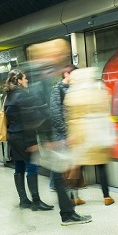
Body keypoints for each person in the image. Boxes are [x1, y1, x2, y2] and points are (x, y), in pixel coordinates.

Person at [24, 39, 91, 225]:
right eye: (61, 53)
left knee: (62, 176)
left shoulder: (46, 75)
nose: (62, 56)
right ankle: (67, 213)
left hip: (50, 135)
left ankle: (68, 213)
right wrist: (48, 137)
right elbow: (43, 108)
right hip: (50, 135)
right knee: (60, 175)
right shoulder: (42, 77)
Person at [64, 67, 117, 206]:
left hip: (80, 134)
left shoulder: (72, 93)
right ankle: (106, 196)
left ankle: (73, 196)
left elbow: (69, 115)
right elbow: (106, 109)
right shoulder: (98, 89)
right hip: (97, 133)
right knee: (101, 166)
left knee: (77, 166)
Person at [4, 69, 54, 211]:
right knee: (32, 166)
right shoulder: (21, 96)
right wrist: (33, 141)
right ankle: (36, 201)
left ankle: (24, 200)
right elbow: (29, 119)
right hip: (25, 136)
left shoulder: (8, 96)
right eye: (25, 78)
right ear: (19, 80)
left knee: (19, 166)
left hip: (13, 136)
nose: (27, 81)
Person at [48, 64, 75, 193]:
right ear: (66, 74)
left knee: (65, 158)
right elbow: (55, 113)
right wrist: (65, 131)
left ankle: (60, 183)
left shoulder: (73, 89)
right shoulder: (57, 89)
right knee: (61, 158)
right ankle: (56, 184)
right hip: (61, 131)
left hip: (71, 130)